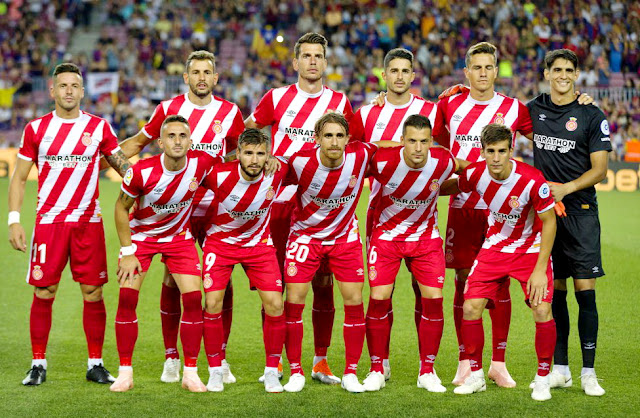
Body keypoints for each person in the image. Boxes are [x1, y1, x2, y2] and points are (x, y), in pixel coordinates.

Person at [113, 50, 244, 384]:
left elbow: (237, 156)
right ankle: (172, 358)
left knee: (219, 284)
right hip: (174, 212)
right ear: (186, 78)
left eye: (208, 72)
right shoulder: (169, 110)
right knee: (173, 280)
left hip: (215, 210)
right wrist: (98, 161)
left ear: (216, 78)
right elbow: (139, 144)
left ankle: (220, 357)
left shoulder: (229, 113)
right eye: (195, 72)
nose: (202, 78)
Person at [8, 62, 131, 386]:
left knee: (93, 292)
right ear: (52, 90)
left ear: (82, 91)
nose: (68, 91)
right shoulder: (36, 129)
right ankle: (37, 363)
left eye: (74, 86)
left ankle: (95, 363)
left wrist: (154, 186)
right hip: (50, 223)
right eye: (62, 85)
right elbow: (19, 178)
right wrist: (14, 220)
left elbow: (124, 169)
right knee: (44, 290)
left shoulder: (99, 127)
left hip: (88, 223)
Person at [245, 32, 354, 384]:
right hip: (277, 205)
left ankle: (320, 361)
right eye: (305, 55)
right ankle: (274, 363)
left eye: (318, 56)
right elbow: (247, 132)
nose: (312, 61)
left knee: (323, 285)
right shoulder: (276, 98)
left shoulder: (339, 101)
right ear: (295, 62)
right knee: (274, 289)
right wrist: (261, 158)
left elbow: (356, 144)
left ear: (325, 62)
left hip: (322, 210)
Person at [433, 42, 533, 387]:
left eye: (489, 67)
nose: (483, 73)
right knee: (463, 284)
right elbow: (430, 140)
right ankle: (465, 360)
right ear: (466, 72)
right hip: (462, 206)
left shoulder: (514, 108)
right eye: (476, 67)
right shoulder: (448, 104)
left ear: (496, 70)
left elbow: (546, 137)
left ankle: (498, 363)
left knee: (500, 285)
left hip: (503, 212)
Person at [282, 113, 396, 393]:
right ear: (317, 138)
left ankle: (350, 373)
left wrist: (412, 147)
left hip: (344, 238)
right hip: (305, 238)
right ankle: (295, 370)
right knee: (294, 301)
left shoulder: (360, 154)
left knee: (354, 301)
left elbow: (386, 145)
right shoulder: (299, 161)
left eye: (339, 136)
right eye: (328, 136)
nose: (334, 142)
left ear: (348, 139)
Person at [110, 115, 221, 393]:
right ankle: (125, 372)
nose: (177, 141)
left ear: (191, 141)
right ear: (160, 142)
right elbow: (121, 208)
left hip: (178, 240)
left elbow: (232, 169)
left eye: (183, 136)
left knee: (195, 300)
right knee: (126, 298)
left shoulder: (202, 164)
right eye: (171, 136)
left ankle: (191, 373)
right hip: (142, 239)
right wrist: (126, 251)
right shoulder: (141, 172)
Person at [448, 124, 557, 401]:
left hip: (529, 251)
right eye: (490, 152)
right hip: (494, 249)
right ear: (483, 152)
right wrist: (424, 186)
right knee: (471, 307)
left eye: (501, 151)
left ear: (511, 151)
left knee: (542, 310)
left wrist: (540, 271)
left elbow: (549, 221)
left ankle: (542, 379)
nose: (496, 158)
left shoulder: (532, 180)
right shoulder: (475, 173)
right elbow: (454, 185)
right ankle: (475, 376)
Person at [349, 48, 440, 380]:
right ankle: (380, 362)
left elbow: (441, 152)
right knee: (380, 295)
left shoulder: (430, 110)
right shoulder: (366, 115)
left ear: (413, 76)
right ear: (383, 75)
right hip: (382, 214)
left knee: (425, 293)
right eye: (394, 71)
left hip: (422, 217)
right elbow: (355, 154)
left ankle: (425, 366)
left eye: (406, 71)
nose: (400, 76)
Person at [527, 49, 610, 397]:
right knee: (554, 291)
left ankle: (588, 372)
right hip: (547, 216)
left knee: (584, 292)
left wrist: (566, 189)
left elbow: (601, 169)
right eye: (556, 69)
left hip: (581, 212)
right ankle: (560, 368)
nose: (563, 75)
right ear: (547, 73)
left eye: (569, 70)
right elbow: (493, 116)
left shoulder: (591, 114)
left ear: (577, 74)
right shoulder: (532, 110)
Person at [362, 114, 463, 392]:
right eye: (412, 141)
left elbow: (470, 171)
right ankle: (377, 367)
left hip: (425, 239)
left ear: (431, 142)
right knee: (379, 298)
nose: (418, 148)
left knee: (433, 299)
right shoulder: (382, 161)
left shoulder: (443, 161)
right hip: (386, 238)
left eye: (423, 142)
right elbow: (354, 161)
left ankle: (427, 370)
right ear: (402, 141)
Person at [199, 129, 288, 393]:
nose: (254, 159)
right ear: (237, 154)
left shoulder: (278, 172)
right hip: (220, 244)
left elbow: (306, 163)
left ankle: (272, 371)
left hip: (259, 246)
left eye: (260, 154)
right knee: (212, 303)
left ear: (268, 155)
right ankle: (215, 371)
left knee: (275, 304)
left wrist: (279, 159)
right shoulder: (218, 175)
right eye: (248, 153)